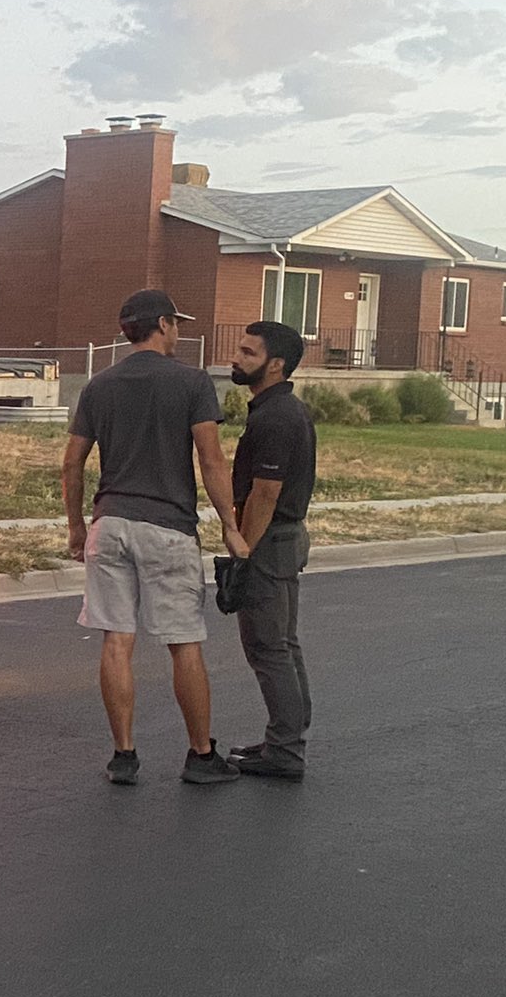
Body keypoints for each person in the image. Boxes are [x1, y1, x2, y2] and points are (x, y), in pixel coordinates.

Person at [63, 290, 249, 786]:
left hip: (111, 523)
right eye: (176, 324)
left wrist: (77, 525)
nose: (179, 332)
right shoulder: (191, 383)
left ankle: (123, 755)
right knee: (183, 643)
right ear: (163, 325)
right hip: (167, 529)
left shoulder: (99, 386)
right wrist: (230, 526)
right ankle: (200, 755)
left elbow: (72, 462)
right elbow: (211, 459)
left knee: (116, 640)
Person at [225, 320, 317, 780]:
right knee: (282, 641)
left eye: (247, 352)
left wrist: (242, 547)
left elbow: (265, 493)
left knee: (267, 645)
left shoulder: (277, 417)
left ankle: (285, 750)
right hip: (284, 538)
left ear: (275, 364)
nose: (236, 357)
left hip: (271, 540)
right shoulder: (279, 410)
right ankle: (286, 736)